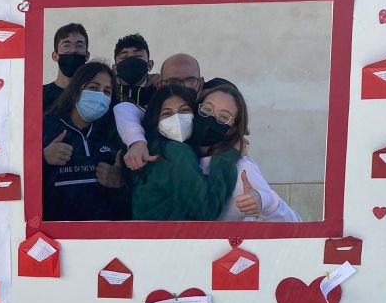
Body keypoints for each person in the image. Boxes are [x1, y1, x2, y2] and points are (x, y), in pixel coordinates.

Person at [193, 82, 301, 222]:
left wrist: (263, 201)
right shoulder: (183, 156)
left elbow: (294, 222)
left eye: (223, 117)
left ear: (233, 129)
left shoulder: (240, 168)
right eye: (206, 109)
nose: (211, 118)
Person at [130, 84, 239, 221]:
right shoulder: (175, 152)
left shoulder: (153, 147)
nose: (177, 118)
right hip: (168, 234)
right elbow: (206, 210)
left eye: (184, 110)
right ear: (155, 119)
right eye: (167, 114)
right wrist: (229, 154)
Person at [42, 61, 128, 221]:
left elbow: (131, 199)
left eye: (107, 92)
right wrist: (43, 158)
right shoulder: (46, 126)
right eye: (93, 88)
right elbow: (23, 176)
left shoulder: (117, 132)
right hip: (56, 230)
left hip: (104, 231)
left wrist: (120, 183)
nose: (100, 96)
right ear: (76, 90)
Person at [118, 52, 204, 170]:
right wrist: (137, 142)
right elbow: (125, 109)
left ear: (201, 83)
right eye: (173, 82)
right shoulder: (154, 114)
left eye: (190, 80)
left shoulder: (211, 111)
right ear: (159, 85)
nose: (182, 88)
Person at [43, 23, 89, 113]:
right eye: (66, 45)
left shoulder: (94, 97)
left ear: (87, 56)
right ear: (55, 56)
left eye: (79, 45)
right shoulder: (40, 95)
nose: (73, 50)